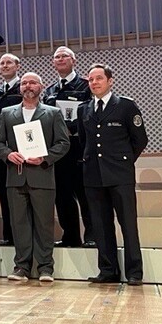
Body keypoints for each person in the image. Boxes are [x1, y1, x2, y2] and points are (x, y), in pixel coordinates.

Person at [0, 73, 70, 282]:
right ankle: (22, 267)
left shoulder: (53, 113)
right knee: (19, 224)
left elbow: (63, 143)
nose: (28, 86)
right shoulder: (7, 113)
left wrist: (45, 157)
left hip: (42, 175)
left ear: (41, 86)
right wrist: (8, 154)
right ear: (20, 88)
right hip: (15, 178)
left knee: (44, 224)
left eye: (33, 82)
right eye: (24, 83)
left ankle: (46, 268)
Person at [78, 63, 148, 286]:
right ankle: (108, 270)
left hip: (120, 175)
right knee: (100, 225)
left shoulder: (126, 106)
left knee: (128, 224)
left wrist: (123, 162)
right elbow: (83, 141)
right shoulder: (84, 109)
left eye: (99, 78)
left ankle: (134, 272)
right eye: (90, 80)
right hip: (93, 175)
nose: (94, 83)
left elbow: (140, 139)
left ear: (110, 81)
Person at [43, 46, 94, 247]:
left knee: (86, 196)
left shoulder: (85, 86)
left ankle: (92, 236)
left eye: (64, 56)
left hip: (80, 150)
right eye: (57, 57)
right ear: (53, 63)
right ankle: (70, 236)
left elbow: (90, 115)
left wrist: (69, 127)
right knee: (62, 197)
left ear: (74, 61)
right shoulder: (49, 91)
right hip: (58, 153)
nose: (60, 59)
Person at [0, 53, 24, 246]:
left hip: (20, 149)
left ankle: (22, 237)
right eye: (1, 63)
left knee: (20, 195)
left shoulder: (24, 88)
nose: (4, 65)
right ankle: (8, 235)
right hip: (2, 151)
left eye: (8, 62)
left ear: (17, 65)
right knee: (3, 193)